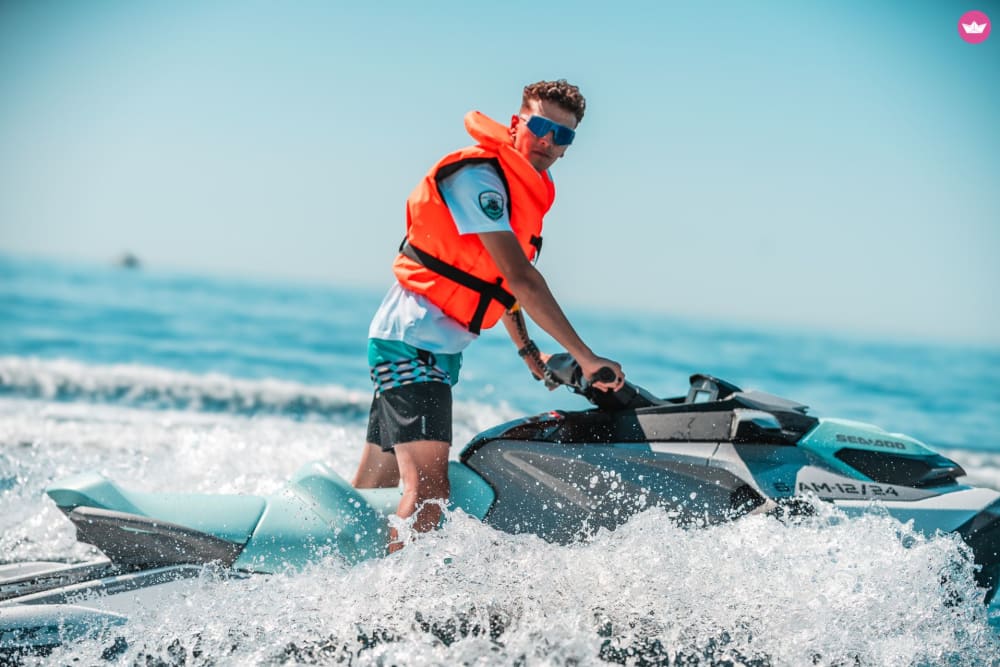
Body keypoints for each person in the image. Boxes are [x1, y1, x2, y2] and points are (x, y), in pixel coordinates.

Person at [351, 79, 625, 552]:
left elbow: (497, 285)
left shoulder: (523, 195)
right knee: (430, 495)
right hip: (413, 343)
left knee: (378, 485)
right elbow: (521, 278)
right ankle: (385, 603)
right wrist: (584, 355)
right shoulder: (478, 178)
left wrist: (526, 349)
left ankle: (342, 556)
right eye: (540, 126)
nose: (548, 141)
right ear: (518, 123)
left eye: (563, 136)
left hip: (429, 347)